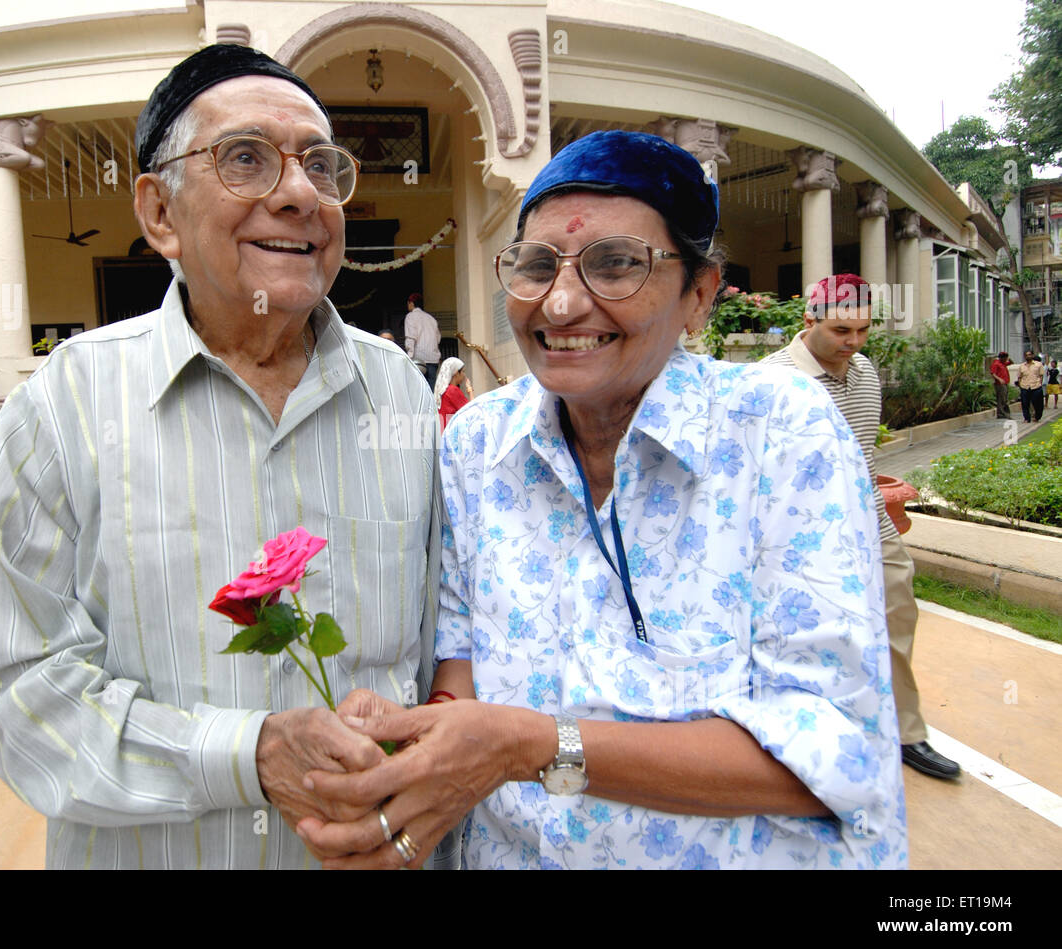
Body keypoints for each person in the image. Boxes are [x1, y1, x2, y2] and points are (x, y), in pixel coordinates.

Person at [295, 130, 906, 869]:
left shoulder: (778, 430)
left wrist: (534, 746)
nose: (559, 302)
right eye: (536, 264)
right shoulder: (479, 443)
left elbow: (835, 749)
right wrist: (425, 740)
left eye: (617, 264)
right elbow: (460, 651)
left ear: (700, 295)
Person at [0, 44, 445, 870]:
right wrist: (246, 755)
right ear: (159, 214)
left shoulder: (400, 396)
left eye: (323, 168)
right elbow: (21, 698)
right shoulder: (64, 408)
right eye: (245, 159)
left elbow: (434, 650)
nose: (299, 195)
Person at [762, 274, 960, 782]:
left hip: (871, 522)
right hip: (805, 536)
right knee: (810, 638)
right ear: (808, 321)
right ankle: (811, 740)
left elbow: (865, 455)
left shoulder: (866, 371)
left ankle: (905, 733)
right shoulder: (771, 380)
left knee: (896, 618)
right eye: (840, 330)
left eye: (862, 330)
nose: (852, 342)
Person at [404, 293, 441, 387]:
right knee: (432, 390)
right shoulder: (431, 319)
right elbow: (438, 338)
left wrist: (410, 358)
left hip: (419, 360)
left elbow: (411, 338)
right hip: (433, 359)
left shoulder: (410, 316)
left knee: (419, 389)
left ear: (411, 303)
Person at [433, 356, 473, 429]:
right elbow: (472, 410)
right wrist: (470, 390)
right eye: (463, 371)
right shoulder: (452, 390)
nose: (464, 375)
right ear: (456, 373)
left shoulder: (443, 390)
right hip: (452, 432)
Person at [1018, 350, 1045, 423]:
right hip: (1025, 387)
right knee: (1025, 404)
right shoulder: (1021, 366)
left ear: (1032, 355)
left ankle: (1037, 417)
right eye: (1026, 355)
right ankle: (1026, 418)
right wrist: (1021, 385)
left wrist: (1039, 383)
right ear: (1024, 356)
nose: (1028, 356)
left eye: (1029, 355)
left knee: (1037, 404)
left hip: (1036, 386)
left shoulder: (1038, 365)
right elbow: (1019, 377)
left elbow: (1041, 375)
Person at [991, 352, 1011, 419]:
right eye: (1005, 358)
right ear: (1001, 358)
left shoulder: (1003, 363)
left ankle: (1003, 413)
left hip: (1005, 383)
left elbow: (1011, 362)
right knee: (1001, 399)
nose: (1006, 360)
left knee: (1004, 398)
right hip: (999, 384)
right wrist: (999, 379)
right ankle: (1001, 413)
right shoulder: (996, 364)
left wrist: (1008, 358)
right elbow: (993, 373)